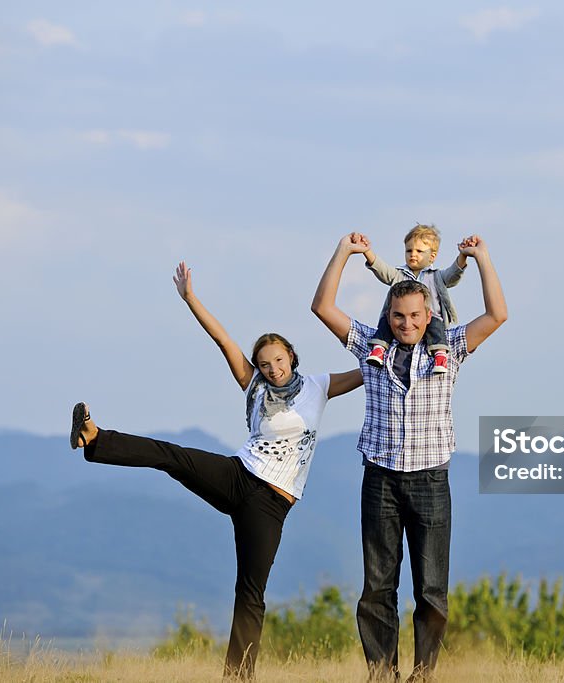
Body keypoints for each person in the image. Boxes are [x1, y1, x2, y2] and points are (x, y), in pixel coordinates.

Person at [69, 260, 363, 679]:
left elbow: (370, 370)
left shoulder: (319, 386)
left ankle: (238, 675)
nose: (272, 369)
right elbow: (222, 338)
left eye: (278, 360)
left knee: (251, 593)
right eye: (264, 364)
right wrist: (191, 298)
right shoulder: (255, 387)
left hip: (271, 504)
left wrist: (395, 347)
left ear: (291, 356)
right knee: (171, 456)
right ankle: (95, 438)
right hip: (238, 475)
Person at [311, 233, 507, 680]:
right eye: (398, 316)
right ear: (389, 316)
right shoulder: (369, 348)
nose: (406, 323)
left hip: (431, 483)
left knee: (432, 590)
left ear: (428, 315)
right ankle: (381, 673)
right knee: (377, 589)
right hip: (379, 480)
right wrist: (344, 252)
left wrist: (482, 259)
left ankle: (423, 673)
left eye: (415, 315)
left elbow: (498, 315)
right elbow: (322, 307)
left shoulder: (449, 351)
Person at [360, 224, 468, 374]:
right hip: (403, 320)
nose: (413, 254)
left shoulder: (436, 276)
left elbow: (454, 274)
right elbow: (381, 269)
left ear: (432, 256)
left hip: (431, 318)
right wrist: (367, 252)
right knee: (386, 322)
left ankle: (440, 355)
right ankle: (379, 349)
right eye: (409, 250)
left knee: (437, 328)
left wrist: (463, 256)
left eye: (419, 251)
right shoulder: (399, 274)